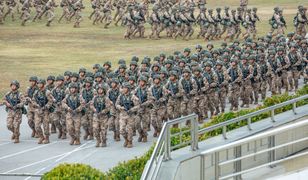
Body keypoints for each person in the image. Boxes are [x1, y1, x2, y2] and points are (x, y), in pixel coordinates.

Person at [116, 83, 139, 148]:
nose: (123, 89)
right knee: (121, 130)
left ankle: (130, 141)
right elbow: (116, 104)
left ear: (128, 89)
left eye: (125, 88)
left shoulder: (133, 96)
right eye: (123, 88)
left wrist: (132, 109)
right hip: (123, 114)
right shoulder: (120, 96)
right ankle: (126, 139)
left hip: (130, 115)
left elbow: (137, 106)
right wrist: (120, 107)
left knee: (129, 129)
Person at [32, 79, 53, 144]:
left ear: (43, 84)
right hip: (38, 111)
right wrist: (36, 104)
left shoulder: (47, 92)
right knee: (37, 126)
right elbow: (33, 100)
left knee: (45, 125)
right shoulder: (36, 92)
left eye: (40, 83)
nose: (39, 85)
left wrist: (46, 106)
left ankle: (47, 138)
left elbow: (51, 101)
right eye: (38, 83)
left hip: (45, 111)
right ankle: (41, 137)